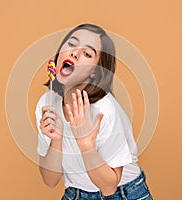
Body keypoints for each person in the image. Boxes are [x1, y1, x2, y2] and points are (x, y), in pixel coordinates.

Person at [35, 23, 153, 200]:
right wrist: (56, 141)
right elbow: (50, 180)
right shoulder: (47, 104)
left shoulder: (105, 110)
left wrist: (85, 144)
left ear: (94, 73)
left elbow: (109, 187)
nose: (75, 53)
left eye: (87, 53)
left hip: (123, 194)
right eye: (72, 44)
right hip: (76, 194)